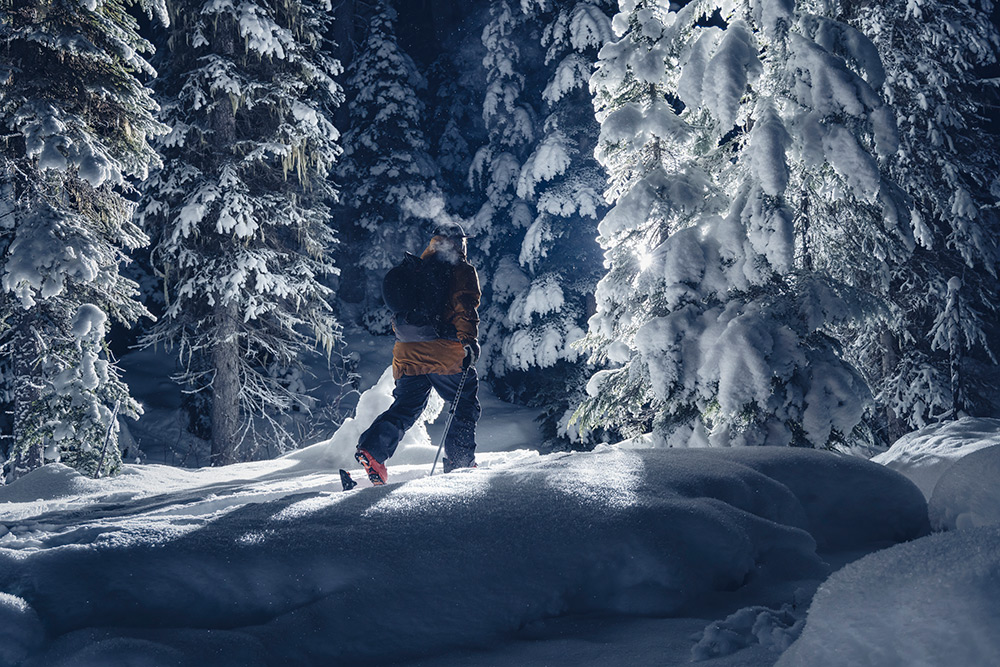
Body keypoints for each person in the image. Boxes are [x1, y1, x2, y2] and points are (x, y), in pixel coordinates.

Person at [355, 221, 482, 485]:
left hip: (406, 352)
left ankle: (373, 452)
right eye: (463, 241)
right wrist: (469, 340)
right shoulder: (461, 269)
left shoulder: (418, 268)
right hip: (443, 351)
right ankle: (460, 464)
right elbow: (464, 306)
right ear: (458, 243)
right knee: (464, 403)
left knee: (406, 406)